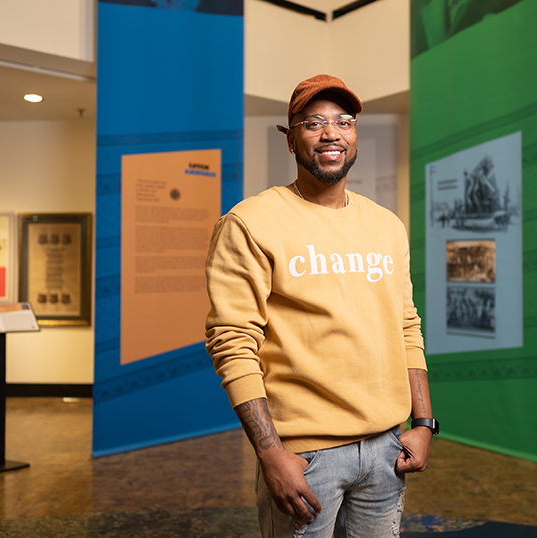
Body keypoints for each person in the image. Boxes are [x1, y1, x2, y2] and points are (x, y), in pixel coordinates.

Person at [205, 74, 438, 538]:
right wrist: (272, 456)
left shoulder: (386, 226)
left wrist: (424, 422)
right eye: (313, 122)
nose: (331, 132)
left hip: (386, 449)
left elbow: (407, 327)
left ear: (354, 135)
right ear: (290, 138)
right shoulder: (249, 222)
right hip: (305, 457)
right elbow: (232, 341)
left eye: (343, 121)